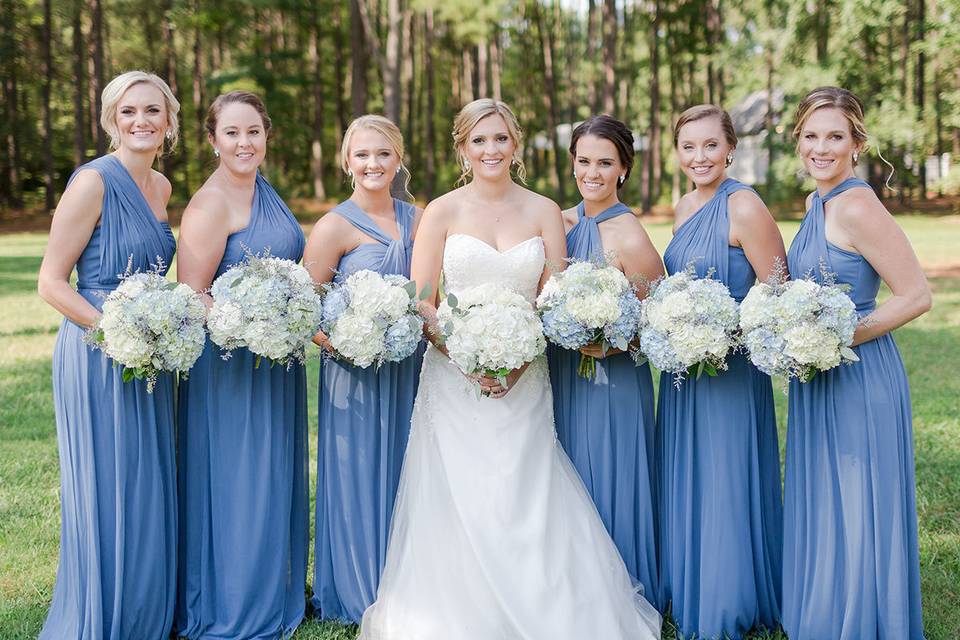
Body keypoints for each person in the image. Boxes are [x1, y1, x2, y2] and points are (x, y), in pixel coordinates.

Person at [358, 99, 661, 640]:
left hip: (528, 374)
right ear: (462, 148)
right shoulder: (442, 211)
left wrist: (517, 362)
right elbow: (422, 299)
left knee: (524, 488)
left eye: (500, 138)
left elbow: (553, 300)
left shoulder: (544, 210)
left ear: (515, 144)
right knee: (458, 491)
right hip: (452, 377)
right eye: (479, 140)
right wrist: (467, 358)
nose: (490, 150)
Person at [36, 70, 180, 640]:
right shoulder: (93, 183)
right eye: (128, 112)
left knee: (147, 484)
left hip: (150, 351)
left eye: (152, 111)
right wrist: (115, 332)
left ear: (170, 121)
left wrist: (156, 331)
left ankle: (145, 616)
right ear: (111, 121)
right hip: (97, 351)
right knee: (107, 487)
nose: (141, 121)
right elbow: (50, 283)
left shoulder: (163, 187)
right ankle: (102, 619)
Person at [783, 86, 930, 640]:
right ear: (798, 139)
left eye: (835, 136)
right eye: (812, 135)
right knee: (828, 498)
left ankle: (864, 621)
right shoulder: (816, 203)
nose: (821, 147)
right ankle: (827, 611)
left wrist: (839, 340)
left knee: (858, 500)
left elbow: (916, 295)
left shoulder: (858, 205)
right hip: (818, 376)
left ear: (857, 143)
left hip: (859, 374)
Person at [174, 91, 308, 639]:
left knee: (271, 473)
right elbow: (191, 291)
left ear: (266, 135)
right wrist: (251, 324)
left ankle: (270, 590)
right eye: (231, 133)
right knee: (237, 479)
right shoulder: (209, 205)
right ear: (212, 140)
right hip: (230, 363)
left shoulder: (263, 191)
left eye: (253, 131)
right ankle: (233, 603)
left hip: (275, 362)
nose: (244, 142)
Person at [657, 104, 785, 639]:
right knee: (690, 476)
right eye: (689, 147)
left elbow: (777, 292)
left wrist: (724, 335)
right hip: (685, 370)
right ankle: (691, 586)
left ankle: (729, 601)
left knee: (727, 479)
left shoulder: (745, 205)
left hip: (730, 370)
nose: (699, 156)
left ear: (730, 148)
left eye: (710, 145)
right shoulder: (684, 204)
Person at [304, 114, 424, 623]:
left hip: (415, 371)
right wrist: (346, 344)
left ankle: (414, 584)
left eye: (383, 154)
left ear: (399, 158)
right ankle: (358, 589)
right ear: (347, 161)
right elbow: (304, 308)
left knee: (414, 475)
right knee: (358, 474)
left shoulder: (421, 218)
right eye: (362, 155)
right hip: (353, 375)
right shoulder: (333, 225)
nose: (373, 164)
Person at [548, 114, 664, 599]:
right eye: (583, 161)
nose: (591, 172)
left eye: (604, 163)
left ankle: (618, 592)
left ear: (623, 169)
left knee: (607, 476)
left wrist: (615, 342)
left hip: (610, 380)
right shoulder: (556, 221)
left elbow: (661, 319)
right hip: (558, 374)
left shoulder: (629, 233)